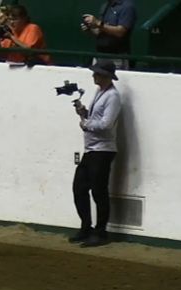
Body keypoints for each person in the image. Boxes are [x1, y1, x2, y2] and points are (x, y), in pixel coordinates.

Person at [70, 60, 122, 248]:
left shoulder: (112, 96)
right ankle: (89, 228)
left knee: (98, 192)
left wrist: (86, 123)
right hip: (94, 150)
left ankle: (99, 231)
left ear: (105, 76)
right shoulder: (102, 93)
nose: (94, 76)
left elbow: (106, 124)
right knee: (81, 189)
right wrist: (85, 114)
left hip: (101, 150)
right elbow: (101, 120)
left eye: (97, 73)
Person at [81, 0, 137, 70]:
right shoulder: (106, 6)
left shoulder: (127, 7)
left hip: (116, 57)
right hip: (99, 55)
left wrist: (98, 23)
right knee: (97, 79)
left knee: (114, 80)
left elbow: (121, 32)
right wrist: (90, 29)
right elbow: (100, 31)